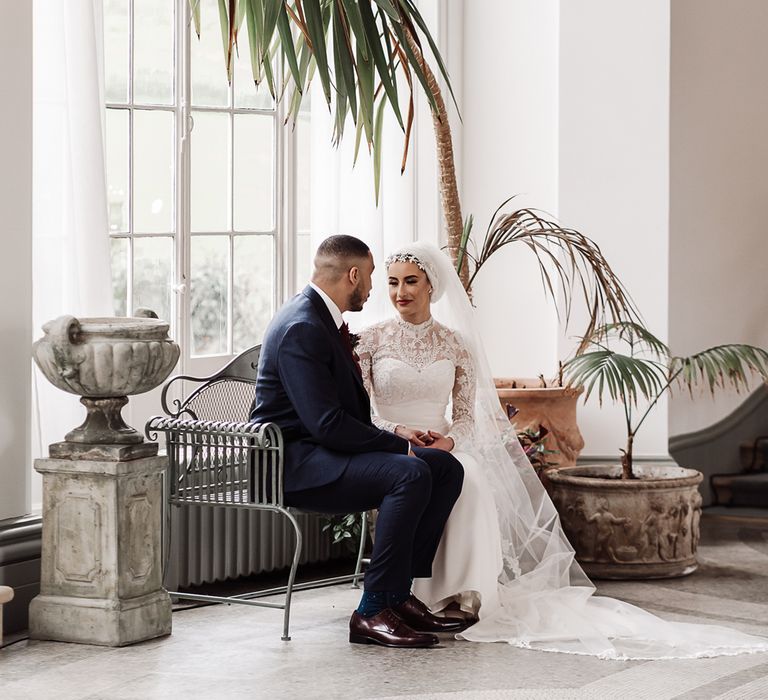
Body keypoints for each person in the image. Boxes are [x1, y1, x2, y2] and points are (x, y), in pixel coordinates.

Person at [355, 240, 768, 659]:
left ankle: (457, 594)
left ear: (431, 286)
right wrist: (399, 431)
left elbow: (463, 414)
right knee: (434, 475)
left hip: (443, 443)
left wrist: (449, 440)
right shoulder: (369, 340)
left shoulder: (456, 343)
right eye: (392, 283)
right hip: (393, 445)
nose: (400, 292)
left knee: (472, 477)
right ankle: (408, 594)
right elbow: (363, 412)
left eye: (411, 281)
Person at [250, 234, 466, 649]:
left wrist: (398, 432)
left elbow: (341, 415)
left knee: (445, 467)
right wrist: (398, 447)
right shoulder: (302, 325)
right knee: (409, 472)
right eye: (370, 277)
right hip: (291, 463)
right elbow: (327, 424)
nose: (372, 288)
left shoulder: (319, 317)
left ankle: (397, 594)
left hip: (319, 451)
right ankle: (371, 611)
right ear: (353, 274)